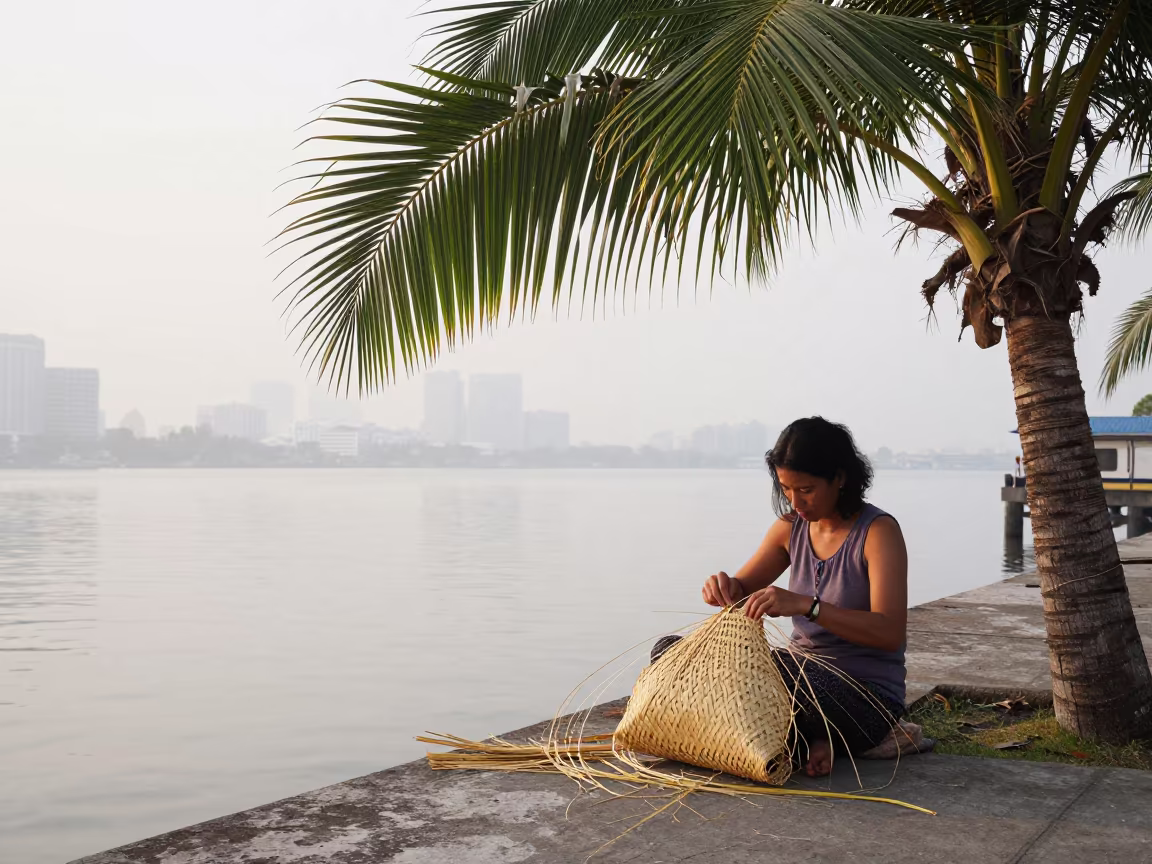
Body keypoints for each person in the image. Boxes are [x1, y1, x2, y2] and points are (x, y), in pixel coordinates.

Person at [655, 417, 909, 777]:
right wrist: (724, 587)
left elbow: (889, 632)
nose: (795, 500)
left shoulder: (878, 532)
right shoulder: (790, 529)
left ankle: (814, 737)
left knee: (782, 670)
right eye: (786, 488)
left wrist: (808, 606)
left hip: (863, 698)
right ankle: (813, 739)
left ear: (839, 478)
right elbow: (740, 589)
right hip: (797, 688)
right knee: (670, 651)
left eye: (806, 489)